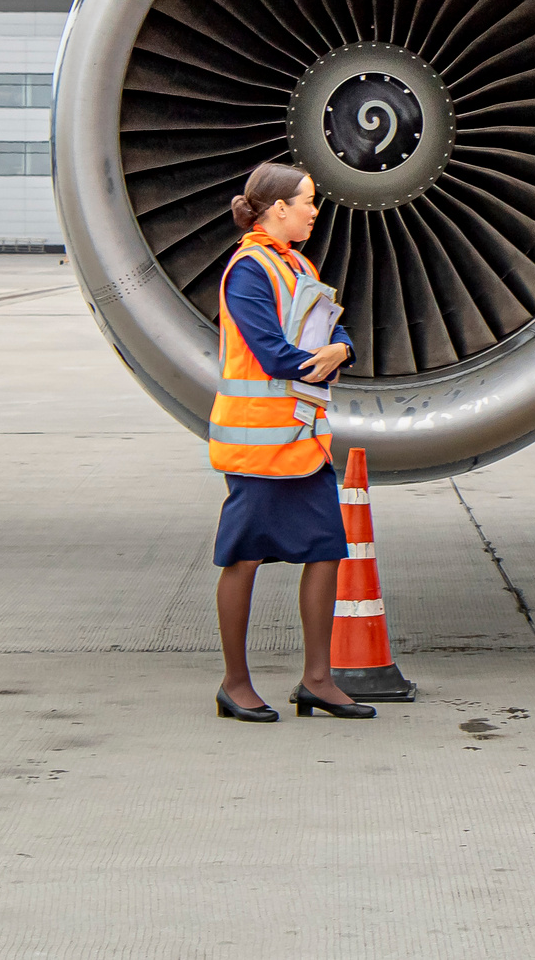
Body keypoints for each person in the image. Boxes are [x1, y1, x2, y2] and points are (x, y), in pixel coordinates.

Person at [210, 162, 378, 722]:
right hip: (259, 444)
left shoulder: (296, 264)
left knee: (328, 552)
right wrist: (330, 357)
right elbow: (275, 353)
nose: (315, 210)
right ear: (277, 208)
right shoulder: (249, 270)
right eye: (307, 201)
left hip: (302, 441)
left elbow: (333, 325)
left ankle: (317, 680)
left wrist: (341, 350)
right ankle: (235, 684)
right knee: (245, 558)